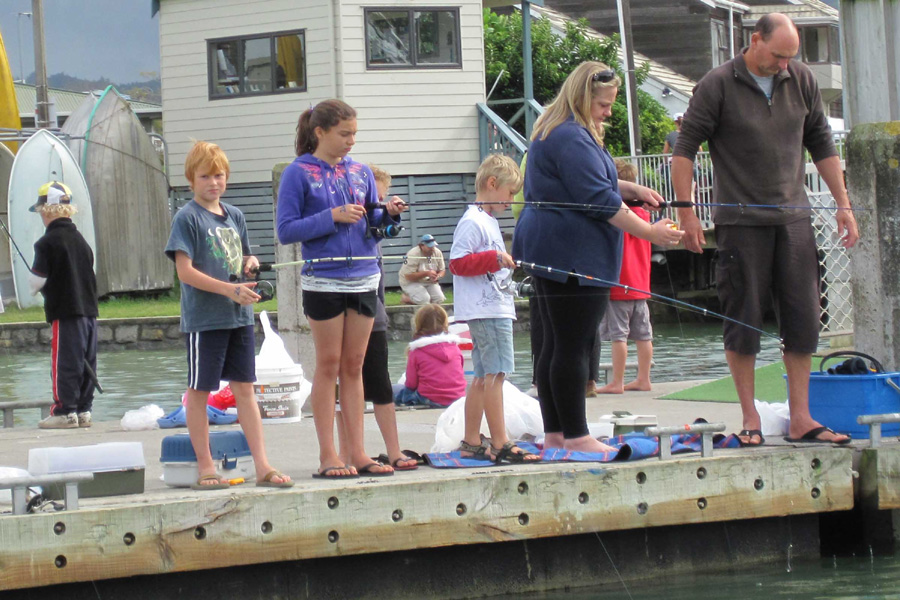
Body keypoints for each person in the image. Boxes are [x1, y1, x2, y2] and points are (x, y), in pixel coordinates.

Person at [672, 13, 859, 446]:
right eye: (778, 55)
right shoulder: (716, 84)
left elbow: (822, 144)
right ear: (754, 40)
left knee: (804, 319)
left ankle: (801, 418)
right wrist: (687, 214)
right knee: (743, 320)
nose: (784, 65)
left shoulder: (801, 80)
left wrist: (843, 204)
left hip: (794, 219)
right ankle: (749, 417)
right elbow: (684, 150)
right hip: (740, 223)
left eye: (791, 57)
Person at [513, 61, 683, 453]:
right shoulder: (572, 136)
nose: (608, 112)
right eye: (604, 105)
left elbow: (592, 183)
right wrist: (650, 232)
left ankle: (556, 432)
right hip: (574, 254)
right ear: (582, 96)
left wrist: (631, 187)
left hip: (549, 247)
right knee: (573, 345)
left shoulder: (554, 130)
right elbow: (596, 199)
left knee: (555, 344)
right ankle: (576, 435)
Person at [276, 100, 405, 478]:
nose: (351, 141)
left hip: (365, 276)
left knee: (354, 366)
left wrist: (388, 213)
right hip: (324, 279)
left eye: (354, 134)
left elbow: (374, 222)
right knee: (328, 365)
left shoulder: (361, 171)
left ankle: (359, 453)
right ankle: (328, 455)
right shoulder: (297, 174)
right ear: (320, 132)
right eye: (344, 134)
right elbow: (287, 230)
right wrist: (331, 217)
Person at [165, 141, 292, 489]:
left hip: (238, 318)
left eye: (218, 175)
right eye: (205, 176)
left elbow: (245, 257)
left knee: (245, 390)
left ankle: (263, 464)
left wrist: (249, 265)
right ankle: (206, 465)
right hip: (205, 319)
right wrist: (227, 289)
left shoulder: (235, 215)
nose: (213, 183)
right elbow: (185, 272)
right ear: (191, 180)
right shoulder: (187, 218)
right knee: (199, 390)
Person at [449, 153, 539, 463]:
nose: (511, 200)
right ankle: (500, 442)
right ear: (492, 184)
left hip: (491, 306)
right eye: (510, 193)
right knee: (496, 375)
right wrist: (495, 258)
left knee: (482, 375)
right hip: (488, 311)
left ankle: (472, 441)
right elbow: (457, 264)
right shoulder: (473, 221)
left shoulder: (486, 220)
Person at [347, 165, 417, 470]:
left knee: (381, 384)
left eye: (382, 197)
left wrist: (391, 214)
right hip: (347, 306)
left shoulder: (375, 219)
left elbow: (385, 229)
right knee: (347, 384)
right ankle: (353, 451)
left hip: (373, 313)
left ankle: (394, 450)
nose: (377, 202)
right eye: (374, 198)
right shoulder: (351, 217)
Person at [29, 181, 99, 430]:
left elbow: (36, 282)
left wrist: (34, 284)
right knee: (86, 360)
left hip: (65, 312)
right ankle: (83, 410)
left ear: (47, 211)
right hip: (90, 313)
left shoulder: (46, 243)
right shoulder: (82, 241)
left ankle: (64, 411)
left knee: (65, 361)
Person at [596, 159, 654, 394]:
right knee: (643, 334)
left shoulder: (617, 218)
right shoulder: (645, 217)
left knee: (618, 336)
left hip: (619, 285)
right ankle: (644, 378)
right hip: (641, 285)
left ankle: (617, 382)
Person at [395, 304, 467, 408]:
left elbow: (411, 384)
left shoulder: (417, 351)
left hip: (430, 399)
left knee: (392, 391)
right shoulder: (455, 348)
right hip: (457, 397)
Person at [398, 234, 446, 305]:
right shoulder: (413, 254)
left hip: (429, 281)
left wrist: (438, 276)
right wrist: (426, 273)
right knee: (424, 300)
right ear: (421, 246)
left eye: (433, 246)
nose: (432, 249)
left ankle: (427, 306)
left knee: (439, 298)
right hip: (410, 282)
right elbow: (408, 276)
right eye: (429, 246)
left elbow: (442, 270)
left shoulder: (437, 253)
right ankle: (406, 298)